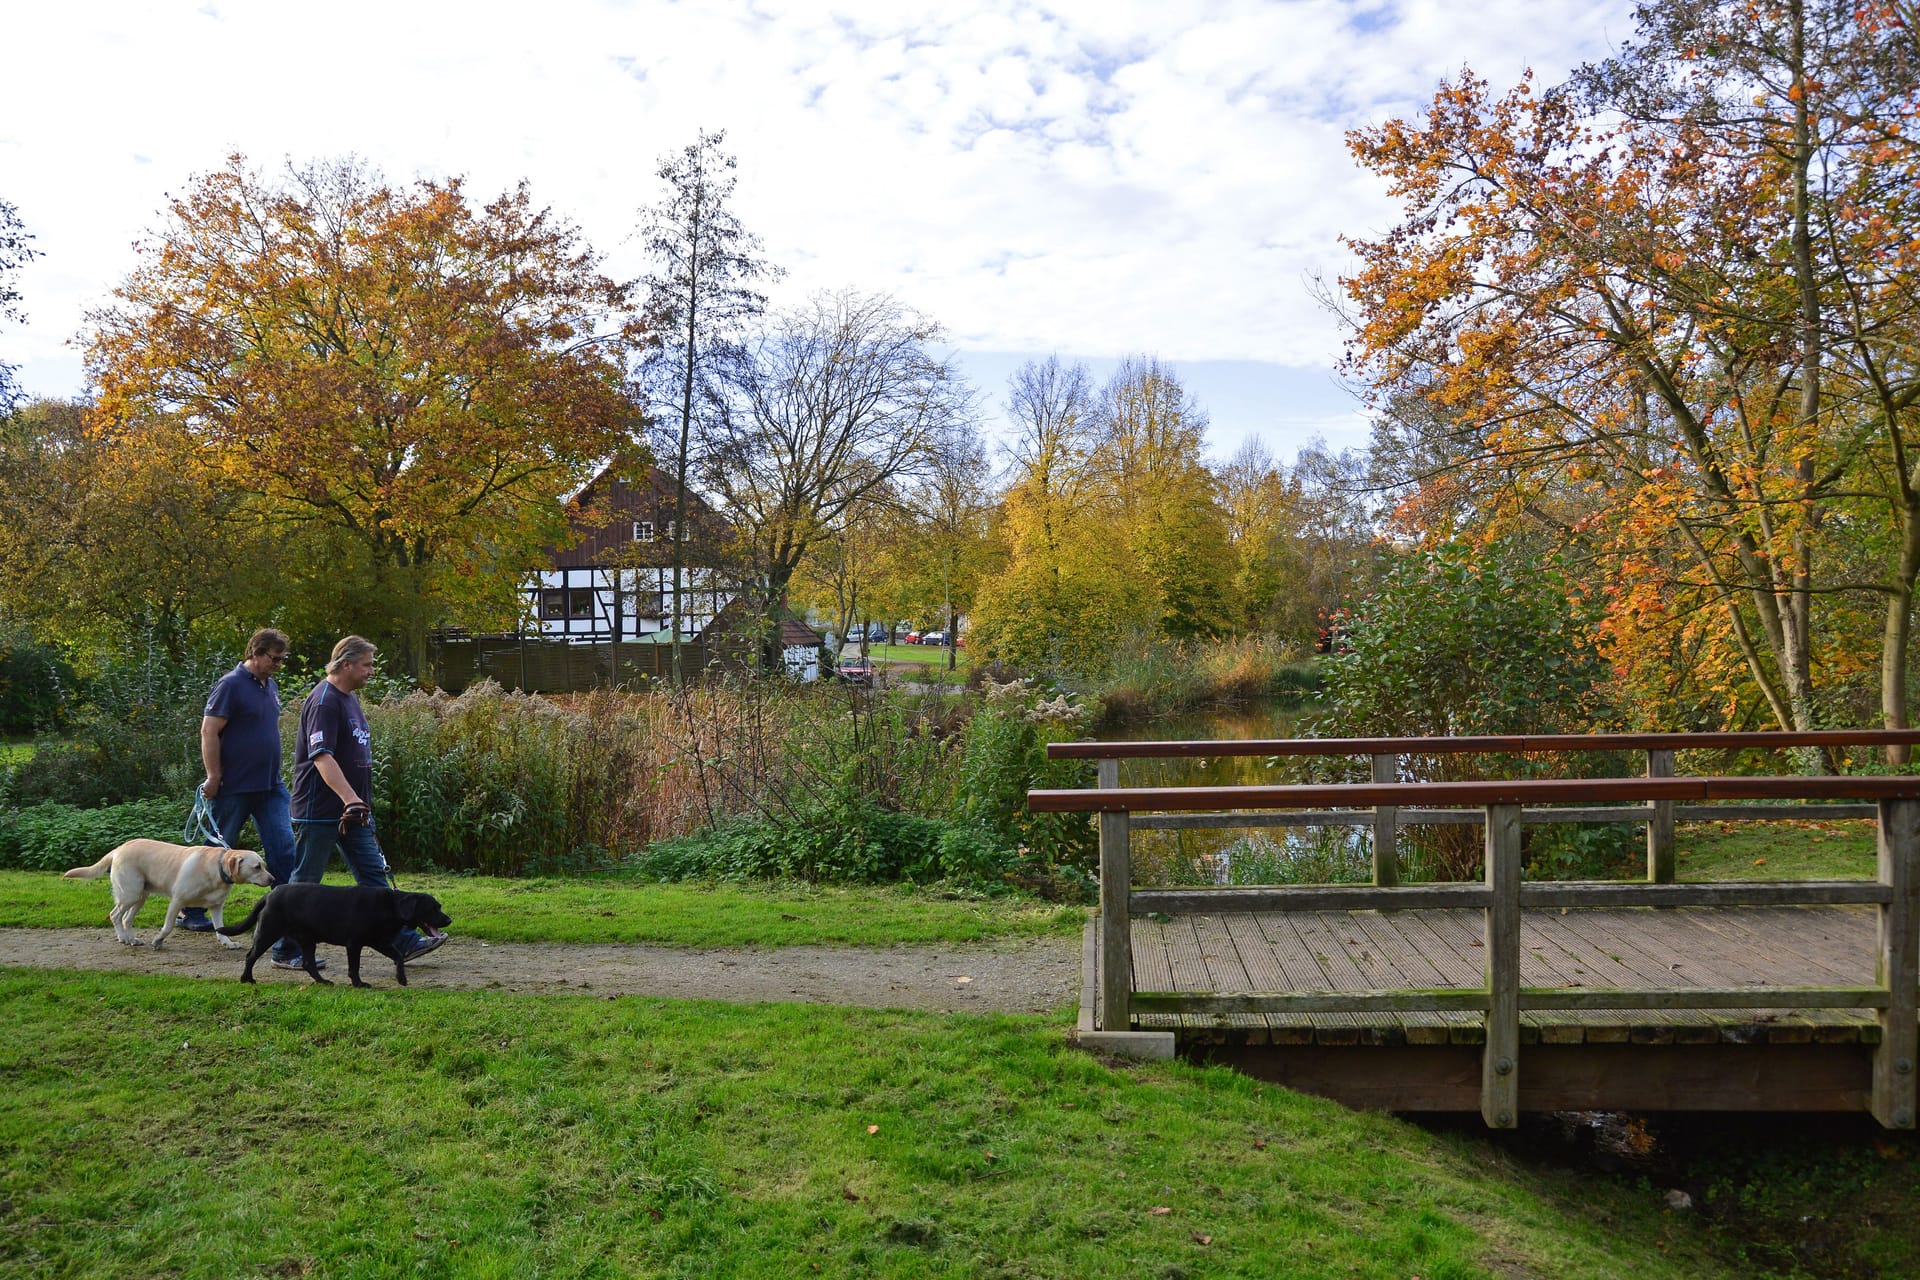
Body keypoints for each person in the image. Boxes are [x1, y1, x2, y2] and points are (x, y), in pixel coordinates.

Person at [287, 635, 446, 963]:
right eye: (367, 665)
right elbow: (322, 757)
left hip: (353, 811)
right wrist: (350, 799)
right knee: (305, 882)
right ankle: (287, 949)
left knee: (374, 877)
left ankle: (403, 941)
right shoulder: (324, 701)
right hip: (320, 810)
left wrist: (360, 803)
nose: (371, 671)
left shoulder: (349, 699)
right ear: (346, 664)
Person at [177, 628, 321, 968]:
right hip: (234, 787)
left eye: (282, 659)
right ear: (255, 652)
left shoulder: (269, 686)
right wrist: (214, 776)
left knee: (284, 848)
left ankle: (287, 911)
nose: (278, 665)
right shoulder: (230, 685)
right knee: (213, 852)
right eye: (274, 658)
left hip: (269, 787)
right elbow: (209, 730)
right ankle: (191, 909)